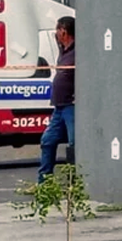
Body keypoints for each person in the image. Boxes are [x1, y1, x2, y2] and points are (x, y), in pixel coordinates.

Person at [39, 16, 76, 182]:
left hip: (71, 106)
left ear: (64, 31)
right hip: (59, 107)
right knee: (47, 141)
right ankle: (44, 180)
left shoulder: (77, 52)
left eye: (57, 29)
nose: (56, 33)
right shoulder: (64, 50)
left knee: (75, 144)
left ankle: (75, 182)